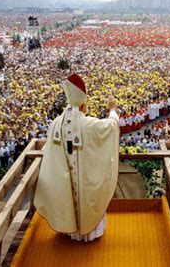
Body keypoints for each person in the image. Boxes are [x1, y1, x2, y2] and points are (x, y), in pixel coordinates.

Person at [34, 74, 119, 242]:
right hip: (84, 180)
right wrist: (112, 110)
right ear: (84, 104)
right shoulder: (87, 124)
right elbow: (112, 126)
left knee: (67, 194)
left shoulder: (56, 123)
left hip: (64, 180)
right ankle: (89, 234)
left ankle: (70, 230)